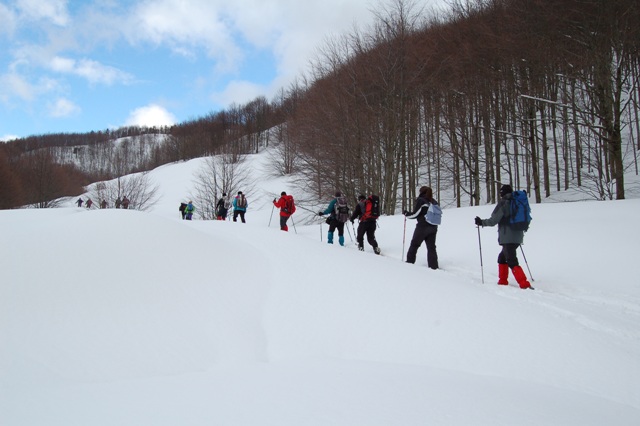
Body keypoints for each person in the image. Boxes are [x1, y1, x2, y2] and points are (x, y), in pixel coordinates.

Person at [475, 184, 532, 289]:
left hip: (507, 237)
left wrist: (481, 222)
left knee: (511, 260)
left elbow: (493, 220)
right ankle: (502, 281)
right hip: (518, 236)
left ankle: (524, 283)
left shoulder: (504, 203)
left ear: (502, 193)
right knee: (502, 258)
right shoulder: (516, 202)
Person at [403, 186, 439, 269]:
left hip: (423, 227)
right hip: (433, 227)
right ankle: (434, 266)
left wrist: (406, 214)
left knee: (414, 245)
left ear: (421, 192)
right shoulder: (433, 201)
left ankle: (409, 263)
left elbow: (415, 214)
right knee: (431, 247)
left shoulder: (421, 200)